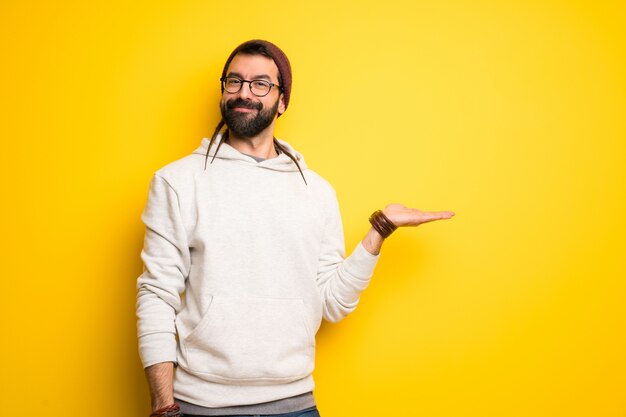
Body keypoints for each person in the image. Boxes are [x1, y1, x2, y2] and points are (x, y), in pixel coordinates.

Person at [136, 39, 454, 417]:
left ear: (282, 100)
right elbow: (156, 295)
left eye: (261, 84)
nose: (244, 92)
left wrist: (379, 231)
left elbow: (333, 304)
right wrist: (163, 406)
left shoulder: (316, 191)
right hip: (202, 406)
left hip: (296, 405)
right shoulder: (177, 181)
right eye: (234, 81)